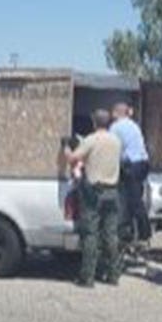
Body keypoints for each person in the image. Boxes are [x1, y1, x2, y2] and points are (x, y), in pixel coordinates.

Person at [63, 109, 122, 288]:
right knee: (111, 235)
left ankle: (87, 277)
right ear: (109, 123)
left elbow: (74, 159)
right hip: (112, 191)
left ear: (93, 122)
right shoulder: (116, 141)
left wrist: (66, 147)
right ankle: (113, 275)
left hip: (94, 192)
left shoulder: (91, 140)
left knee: (90, 234)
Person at [110, 102, 152, 242]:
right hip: (143, 163)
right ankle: (132, 231)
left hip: (132, 165)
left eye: (113, 112)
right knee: (133, 197)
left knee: (133, 200)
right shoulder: (133, 125)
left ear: (117, 113)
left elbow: (110, 146)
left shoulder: (116, 127)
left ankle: (144, 232)